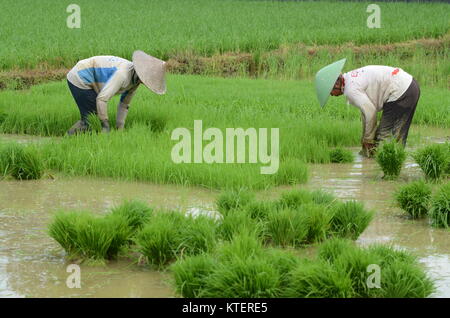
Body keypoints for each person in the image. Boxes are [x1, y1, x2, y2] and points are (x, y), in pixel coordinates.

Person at [315, 59, 420, 157]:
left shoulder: (350, 89)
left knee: (384, 138)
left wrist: (368, 140)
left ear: (336, 85)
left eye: (330, 93)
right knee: (396, 137)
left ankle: (385, 170)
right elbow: (365, 113)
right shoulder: (351, 79)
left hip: (400, 91)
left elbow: (370, 112)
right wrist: (366, 138)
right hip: (409, 85)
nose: (332, 95)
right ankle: (394, 165)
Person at [66, 50, 167, 135]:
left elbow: (124, 105)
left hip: (89, 79)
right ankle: (67, 138)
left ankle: (75, 139)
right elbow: (101, 99)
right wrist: (105, 125)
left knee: (93, 120)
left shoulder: (135, 81)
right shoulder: (123, 75)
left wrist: (120, 129)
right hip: (80, 76)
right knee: (91, 119)